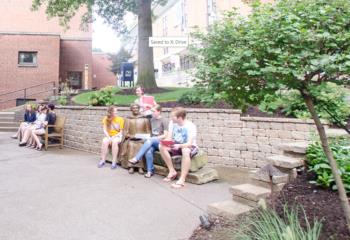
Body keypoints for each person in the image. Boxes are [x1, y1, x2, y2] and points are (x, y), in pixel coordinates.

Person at [159, 107, 199, 189]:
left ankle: (182, 179)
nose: (171, 118)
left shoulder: (190, 126)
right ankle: (172, 171)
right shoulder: (172, 123)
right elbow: (169, 137)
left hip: (189, 146)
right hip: (176, 145)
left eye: (173, 116)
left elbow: (189, 143)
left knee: (185, 150)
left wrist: (180, 146)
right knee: (161, 146)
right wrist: (165, 141)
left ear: (179, 117)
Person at [128, 104, 169, 178]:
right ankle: (150, 171)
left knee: (150, 140)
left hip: (160, 142)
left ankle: (136, 158)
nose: (152, 113)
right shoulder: (152, 119)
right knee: (148, 152)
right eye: (151, 111)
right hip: (152, 142)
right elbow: (142, 114)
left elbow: (165, 135)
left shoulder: (164, 120)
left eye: (153, 111)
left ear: (159, 112)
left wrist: (155, 138)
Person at [120, 103, 151, 174]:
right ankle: (131, 166)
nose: (135, 109)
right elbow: (125, 131)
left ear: (139, 109)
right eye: (133, 108)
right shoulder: (128, 119)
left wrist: (143, 137)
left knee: (140, 145)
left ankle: (140, 167)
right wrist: (130, 136)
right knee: (131, 145)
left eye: (137, 108)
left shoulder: (144, 119)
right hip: (131, 139)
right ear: (131, 109)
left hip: (142, 139)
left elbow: (148, 131)